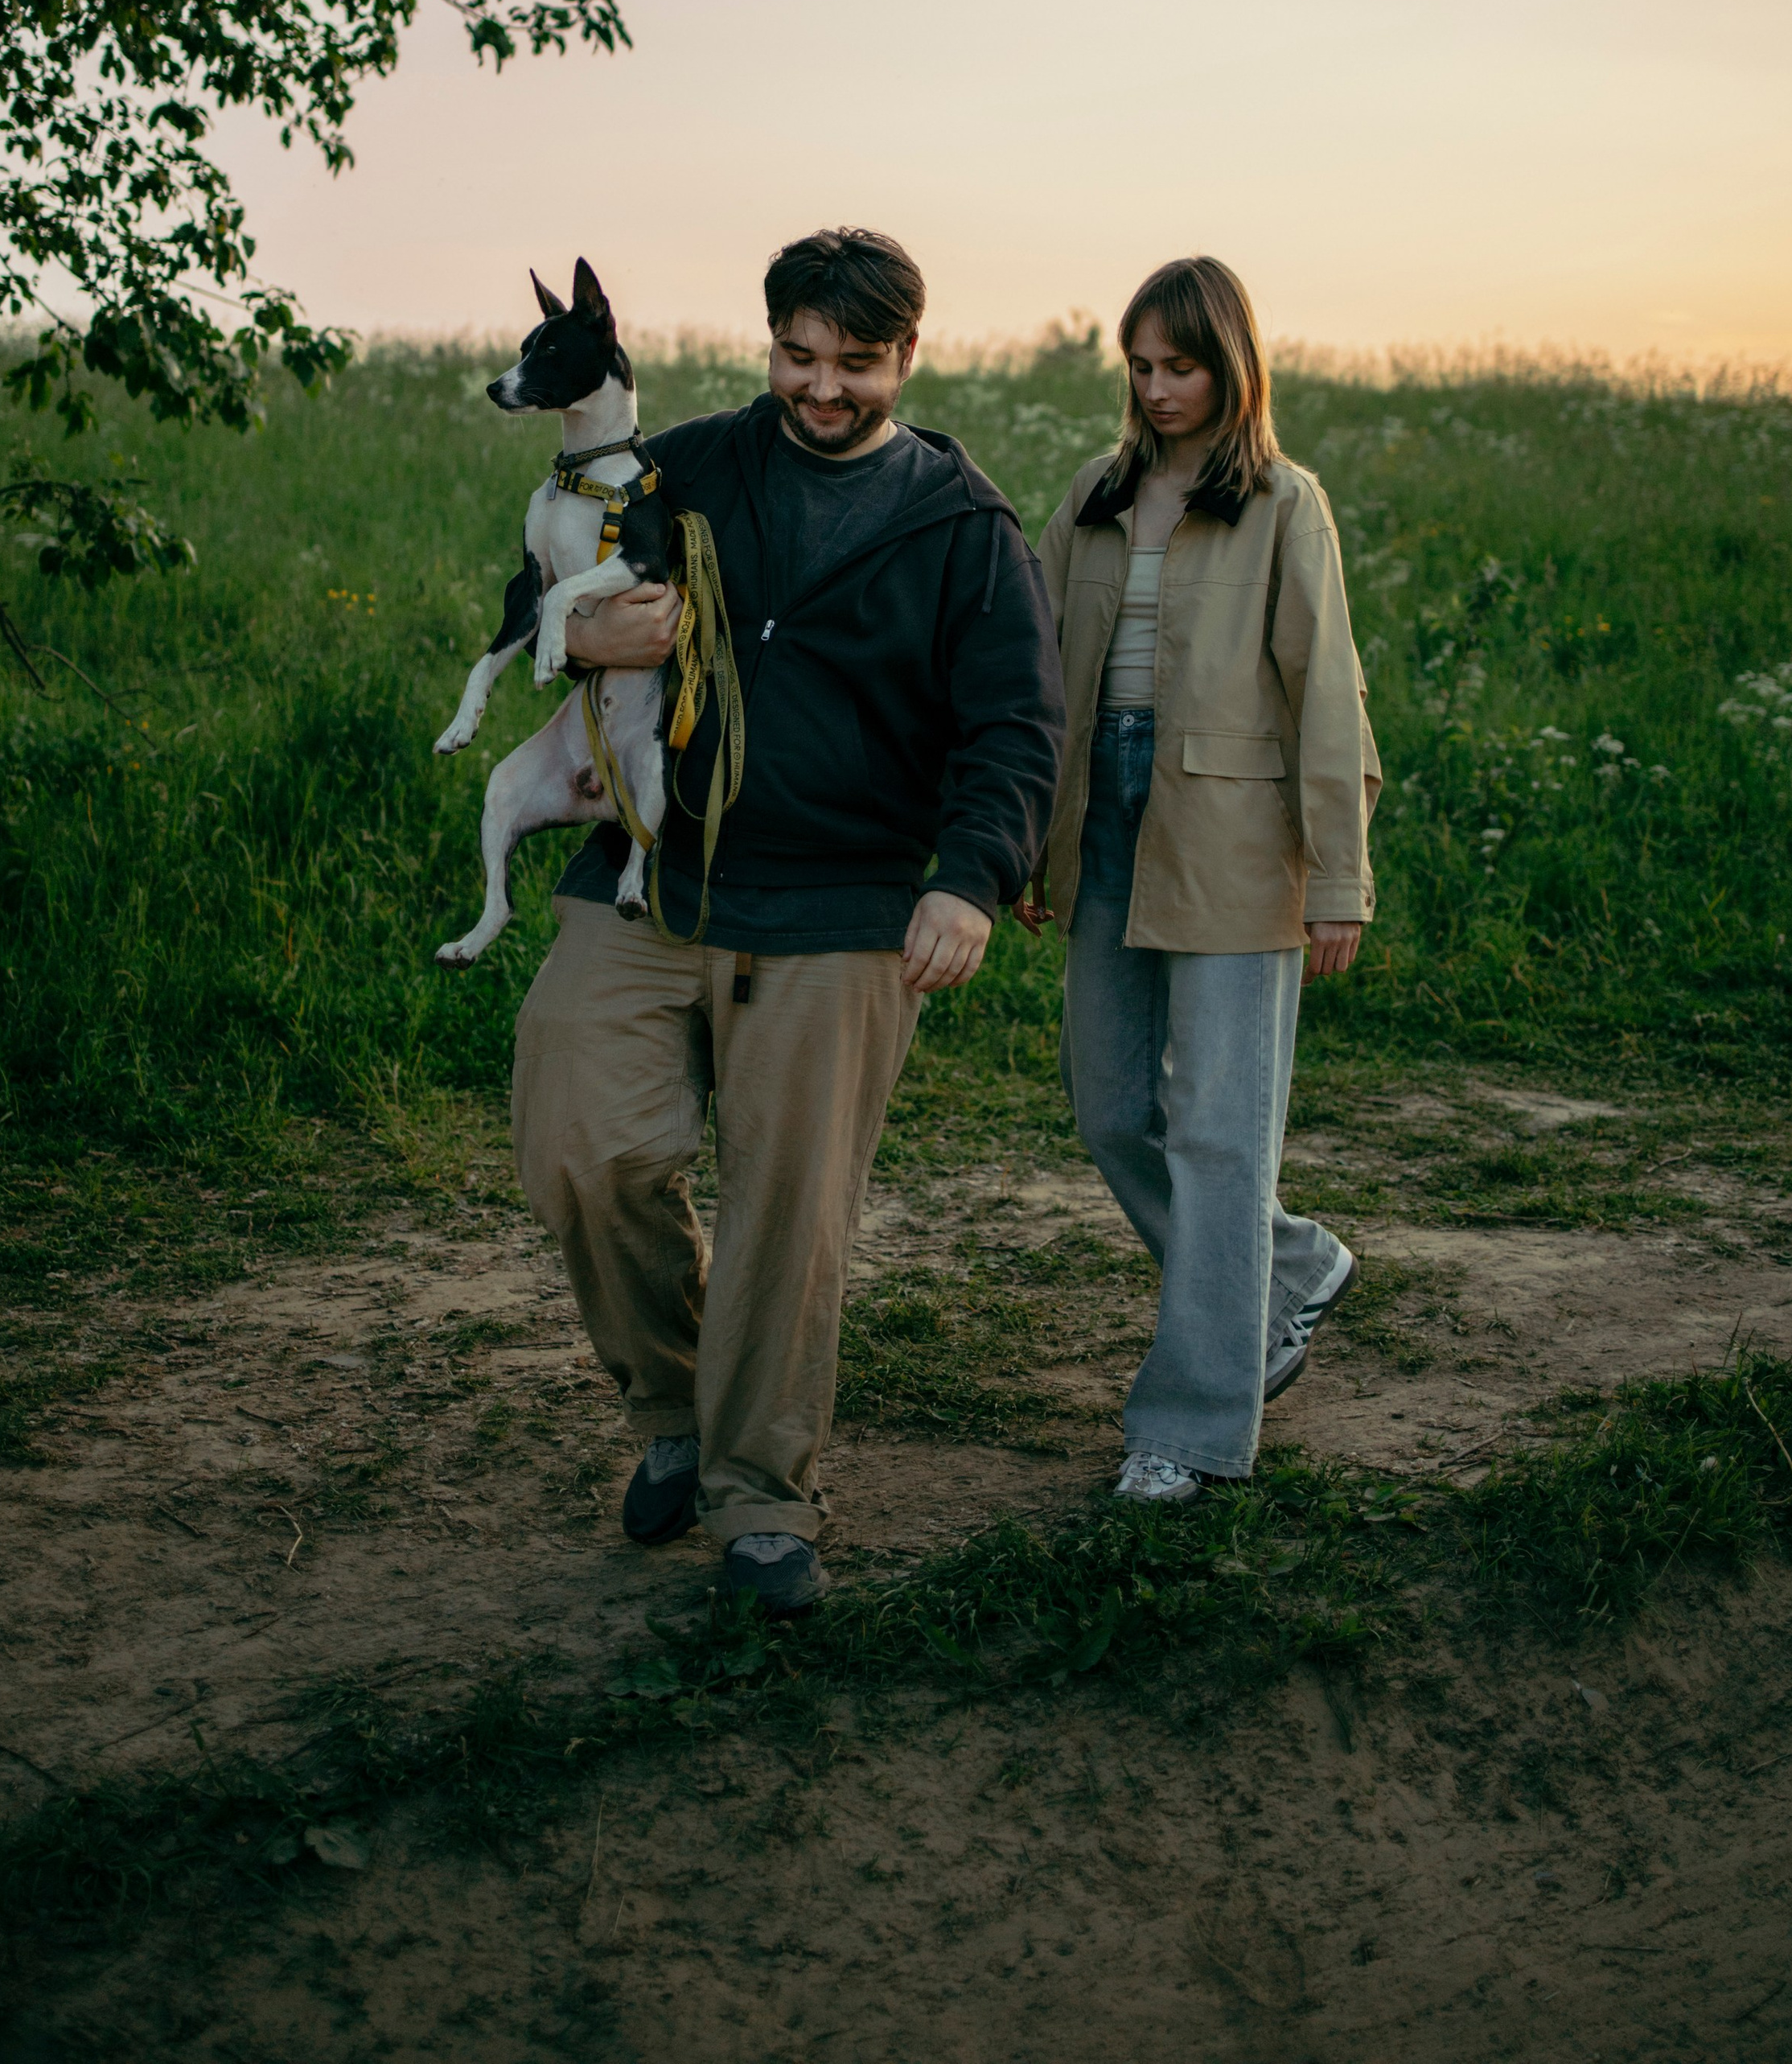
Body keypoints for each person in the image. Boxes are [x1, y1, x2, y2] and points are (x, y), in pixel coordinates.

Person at [511, 227, 1065, 1614]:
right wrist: (577, 638)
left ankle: (761, 1494)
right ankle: (675, 1411)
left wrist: (969, 876)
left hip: (841, 905)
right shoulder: (685, 465)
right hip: (654, 876)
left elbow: (1014, 724)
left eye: (855, 364)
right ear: (770, 344)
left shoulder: (964, 525)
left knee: (788, 1214)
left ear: (909, 356)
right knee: (582, 1142)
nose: (821, 388)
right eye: (798, 356)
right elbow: (539, 581)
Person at [1017, 255, 1379, 1505]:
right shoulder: (1096, 493)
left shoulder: (1285, 502)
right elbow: (1032, 664)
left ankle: (1192, 1424)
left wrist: (1336, 875)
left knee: (1221, 1132)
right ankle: (1288, 1268)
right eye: (1142, 366)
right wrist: (1031, 840)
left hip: (1236, 830)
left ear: (1233, 368)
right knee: (1113, 1108)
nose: (1159, 388)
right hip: (1103, 818)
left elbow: (1325, 693)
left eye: (1182, 366)